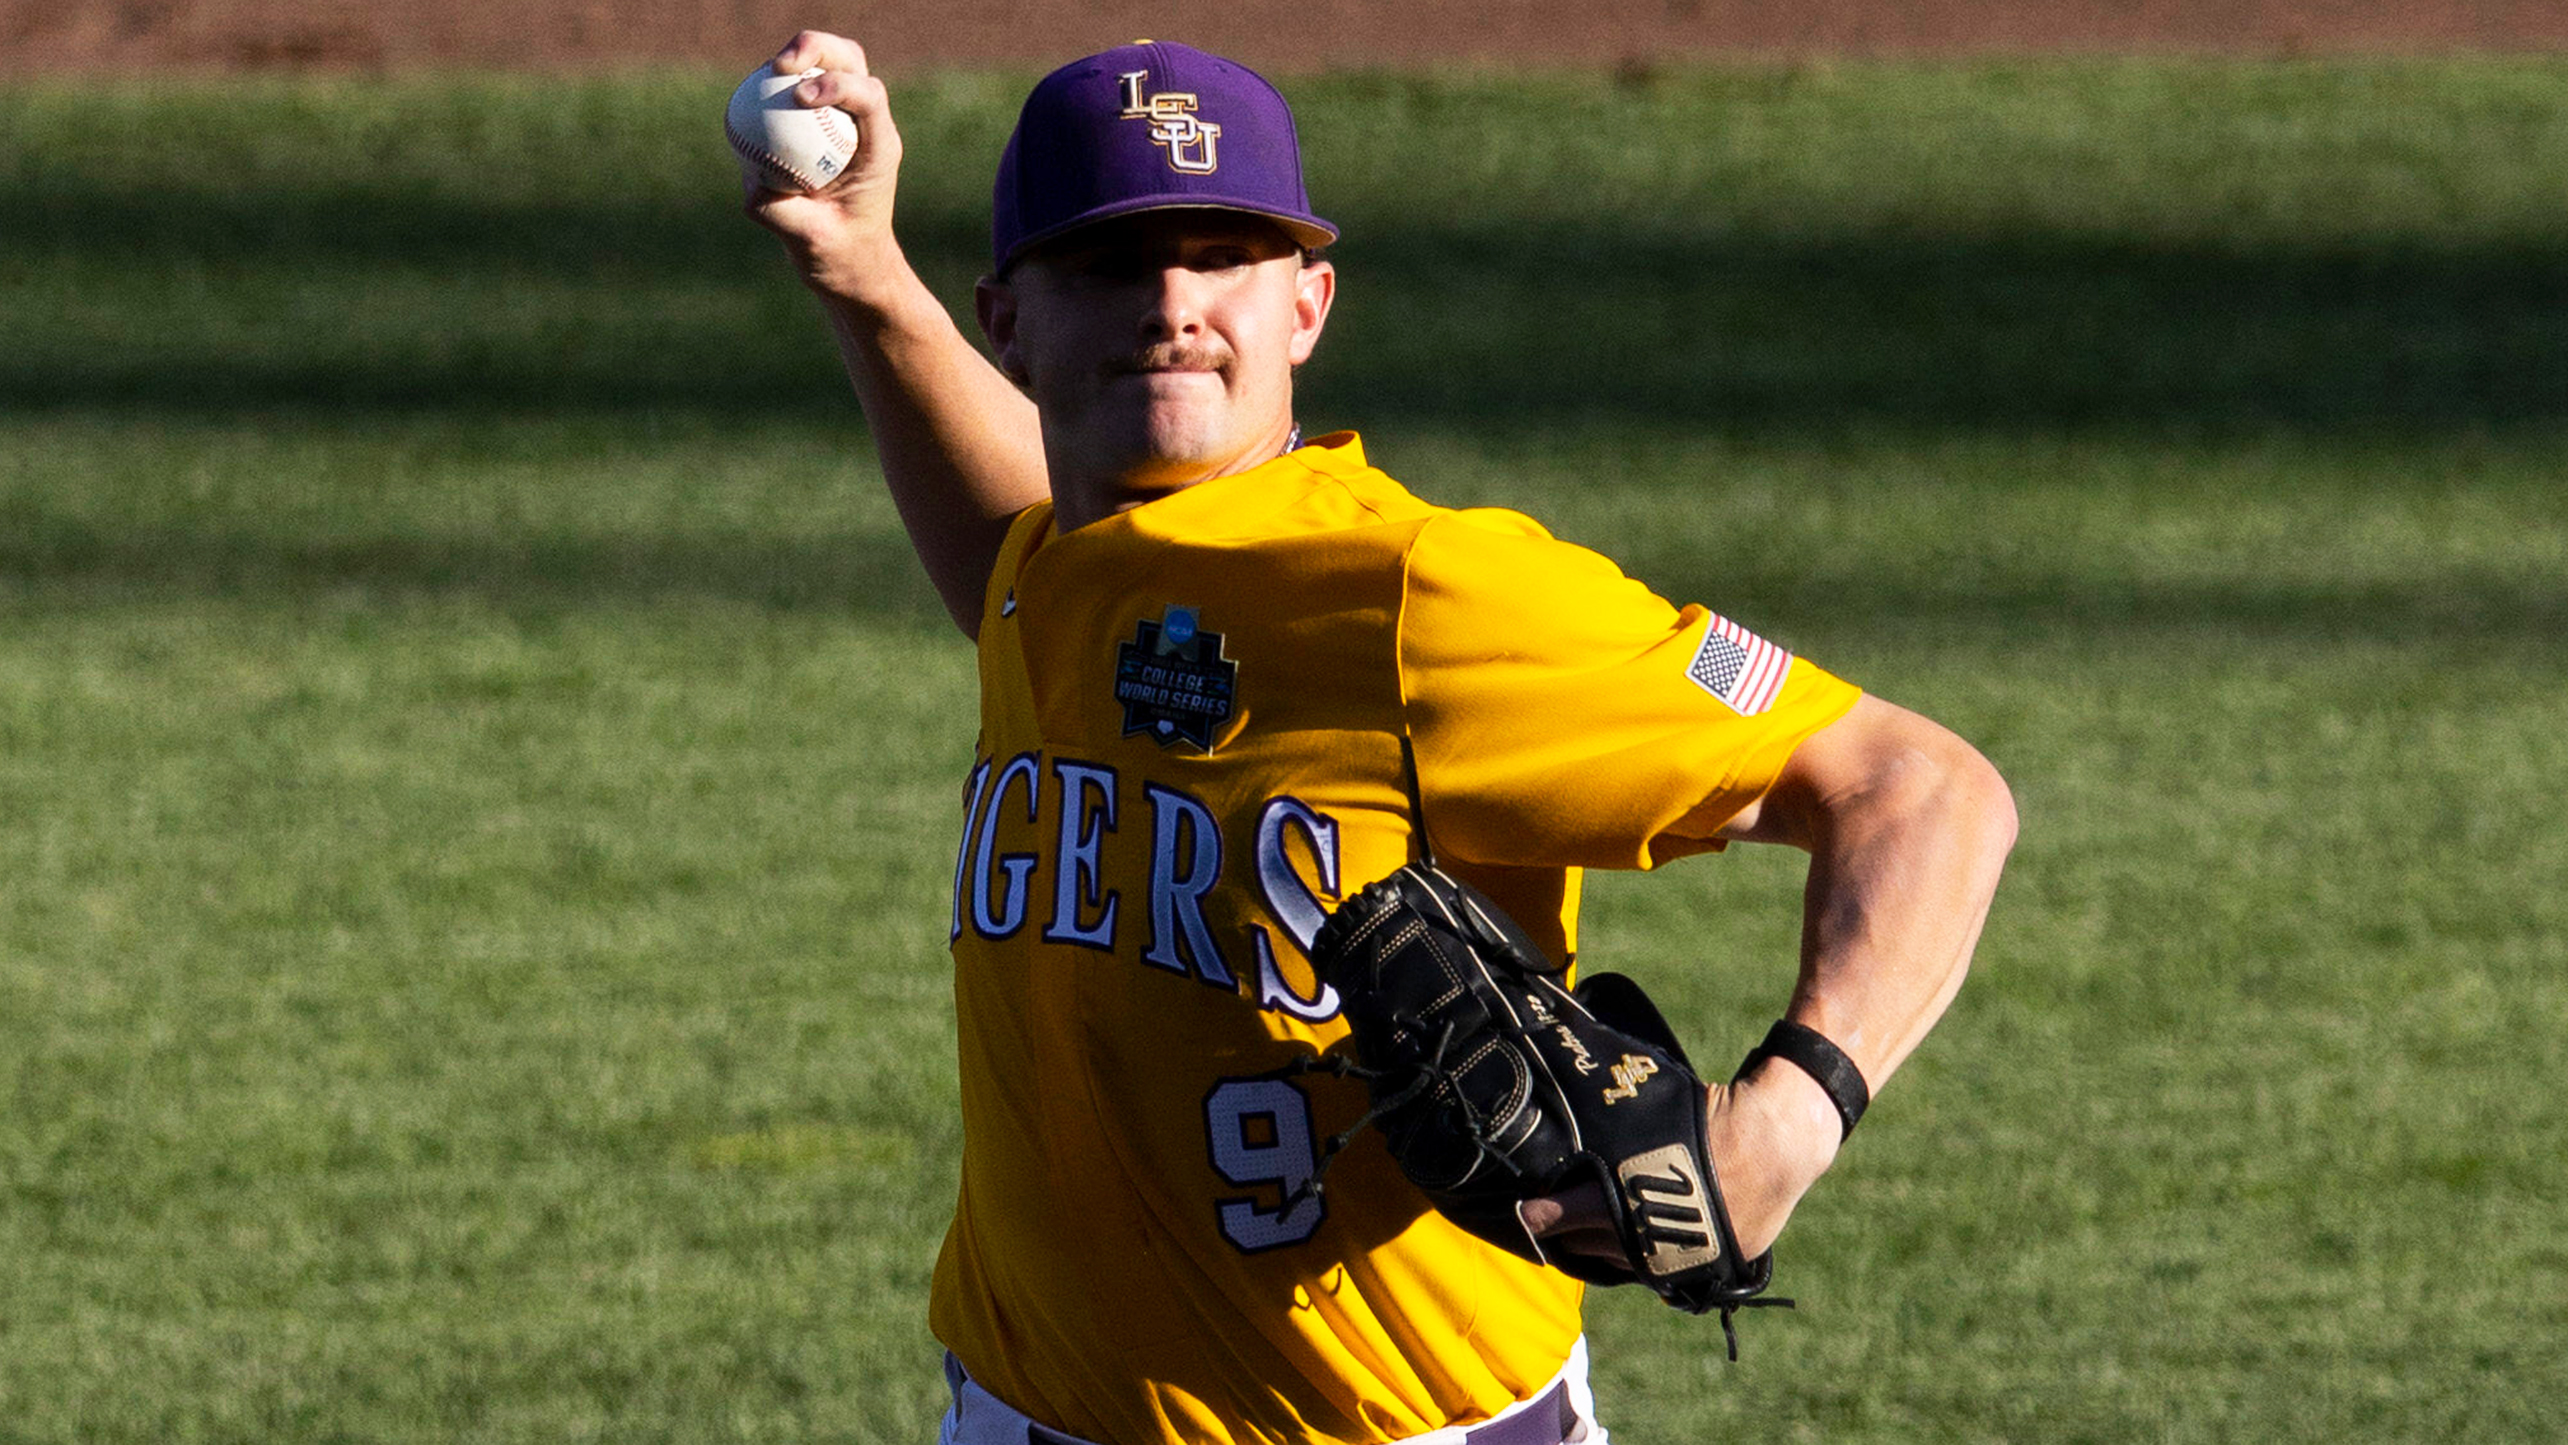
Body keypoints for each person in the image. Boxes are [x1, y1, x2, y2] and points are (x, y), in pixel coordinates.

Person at [746, 32, 2017, 1445]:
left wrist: (1791, 1115)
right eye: (1111, 265)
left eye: (1222, 253)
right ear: (1007, 322)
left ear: (1309, 305)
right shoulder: (1071, 571)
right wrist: (859, 271)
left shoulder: (1419, 592)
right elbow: (1013, 552)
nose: (1172, 305)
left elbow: (1923, 786)